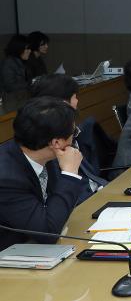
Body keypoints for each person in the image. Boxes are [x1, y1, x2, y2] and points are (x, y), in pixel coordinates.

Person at [0, 97, 86, 250]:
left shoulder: (44, 154)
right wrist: (70, 175)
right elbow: (47, 232)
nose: (74, 137)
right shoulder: (6, 179)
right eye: (73, 132)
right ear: (56, 143)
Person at [30, 74, 110, 202]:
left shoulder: (71, 131)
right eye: (74, 97)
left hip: (98, 191)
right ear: (62, 103)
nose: (77, 101)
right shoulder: (48, 145)